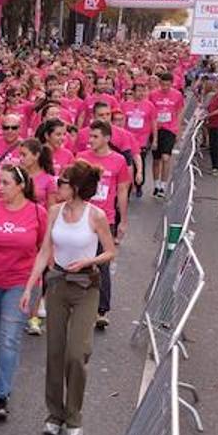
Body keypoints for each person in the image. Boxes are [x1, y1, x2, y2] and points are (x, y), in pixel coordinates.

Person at [20, 160, 117, 435]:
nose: (57, 186)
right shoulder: (54, 212)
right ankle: (55, 413)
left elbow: (110, 251)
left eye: (62, 182)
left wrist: (90, 259)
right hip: (58, 284)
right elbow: (44, 252)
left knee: (77, 353)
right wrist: (29, 289)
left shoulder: (95, 215)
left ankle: (74, 414)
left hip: (86, 286)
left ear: (74, 188)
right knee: (55, 352)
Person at [0, 167, 47, 419]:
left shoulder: (37, 212)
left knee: (9, 337)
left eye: (5, 183)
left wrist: (36, 284)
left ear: (21, 185)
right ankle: (2, 376)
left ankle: (1, 394)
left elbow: (44, 250)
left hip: (21, 284)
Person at [75, 120, 129, 329]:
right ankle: (78, 302)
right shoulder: (81, 158)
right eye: (90, 136)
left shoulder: (118, 161)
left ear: (107, 138)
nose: (91, 140)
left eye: (95, 137)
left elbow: (122, 191)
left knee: (102, 263)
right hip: (82, 217)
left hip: (106, 219)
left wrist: (123, 220)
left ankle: (101, 310)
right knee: (79, 260)